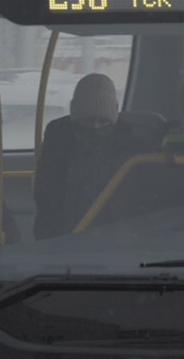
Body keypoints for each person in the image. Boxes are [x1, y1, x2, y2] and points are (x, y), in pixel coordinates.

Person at [33, 73, 133, 238]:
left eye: (103, 122)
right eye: (87, 121)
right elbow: (46, 201)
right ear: (74, 117)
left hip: (116, 241)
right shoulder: (58, 146)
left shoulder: (130, 148)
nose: (95, 127)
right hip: (65, 239)